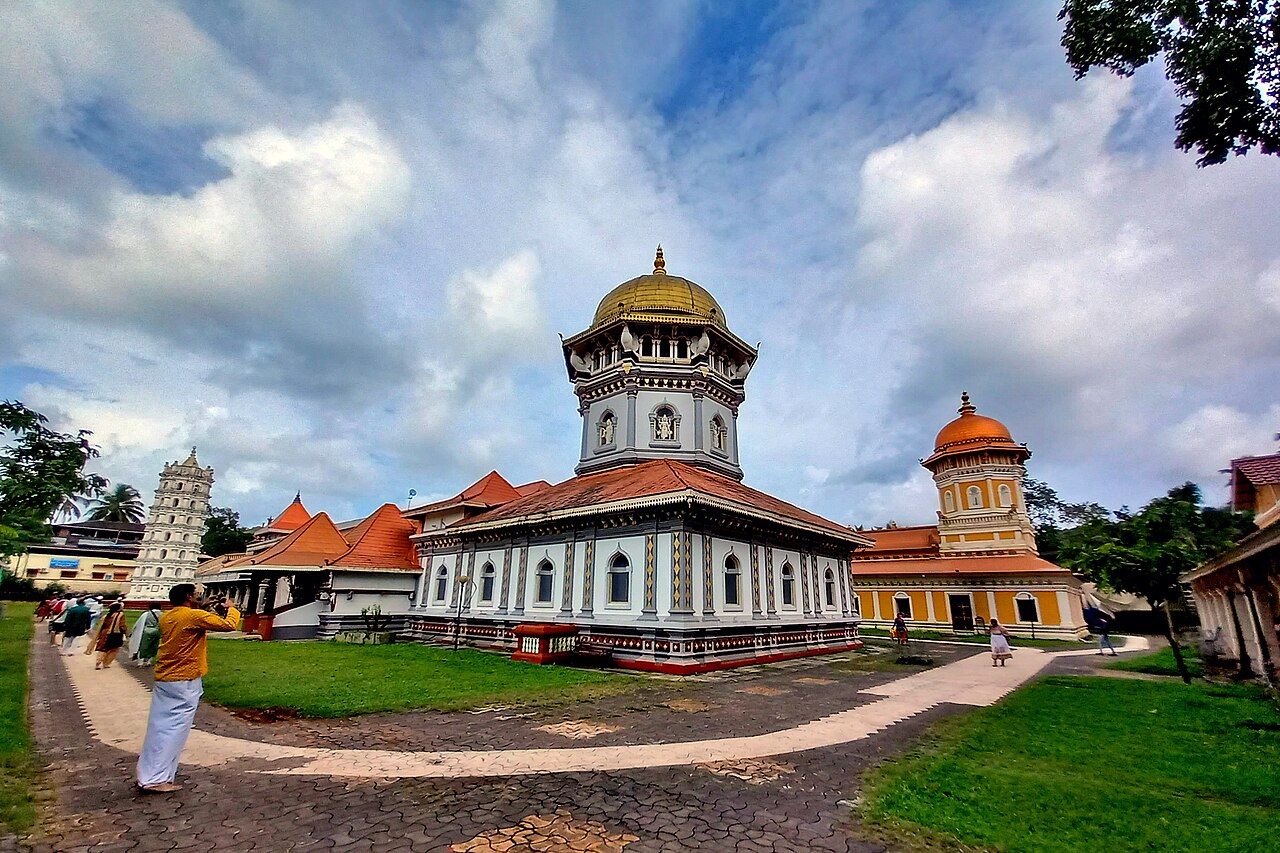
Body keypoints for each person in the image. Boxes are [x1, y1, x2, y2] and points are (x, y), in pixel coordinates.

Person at [136, 584, 240, 793]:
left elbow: (193, 620)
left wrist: (202, 606)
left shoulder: (169, 616)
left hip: (166, 678)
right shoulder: (193, 617)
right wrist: (231, 608)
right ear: (188, 597)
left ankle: (150, 774)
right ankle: (156, 779)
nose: (199, 597)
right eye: (196, 594)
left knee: (159, 727)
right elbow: (229, 625)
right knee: (174, 729)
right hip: (184, 679)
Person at [91, 601, 129, 669]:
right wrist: (125, 632)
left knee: (103, 648)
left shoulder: (106, 616)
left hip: (104, 633)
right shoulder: (120, 615)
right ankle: (106, 663)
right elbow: (122, 625)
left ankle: (98, 662)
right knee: (113, 649)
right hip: (115, 634)